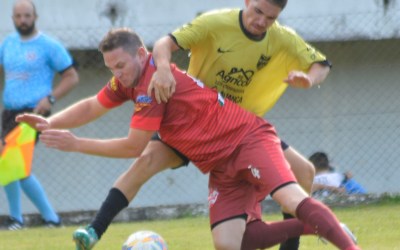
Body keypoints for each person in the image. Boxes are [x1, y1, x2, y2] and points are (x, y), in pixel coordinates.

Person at [17, 28, 359, 250]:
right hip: (219, 165)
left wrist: (76, 143)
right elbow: (93, 104)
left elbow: (133, 146)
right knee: (232, 243)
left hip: (246, 139)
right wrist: (48, 122)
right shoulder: (128, 79)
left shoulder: (153, 83)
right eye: (110, 69)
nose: (116, 74)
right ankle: (317, 226)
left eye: (120, 65)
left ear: (140, 54)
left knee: (291, 196)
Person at [71, 0, 332, 249]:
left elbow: (321, 64)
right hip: (190, 119)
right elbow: (165, 42)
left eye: (270, 17)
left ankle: (291, 245)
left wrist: (309, 79)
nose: (261, 21)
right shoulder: (215, 23)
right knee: (144, 163)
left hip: (238, 130)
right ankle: (95, 229)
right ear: (247, 1)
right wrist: (162, 69)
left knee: (305, 172)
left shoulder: (283, 38)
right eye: (258, 11)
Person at [0, 0, 79, 230]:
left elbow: (72, 76)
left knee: (15, 163)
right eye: (18, 16)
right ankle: (40, 219)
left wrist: (50, 98)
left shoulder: (49, 45)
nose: (23, 20)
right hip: (9, 112)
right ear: (13, 18)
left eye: (27, 15)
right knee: (7, 163)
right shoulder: (7, 44)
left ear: (35, 17)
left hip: (33, 113)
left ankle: (39, 218)